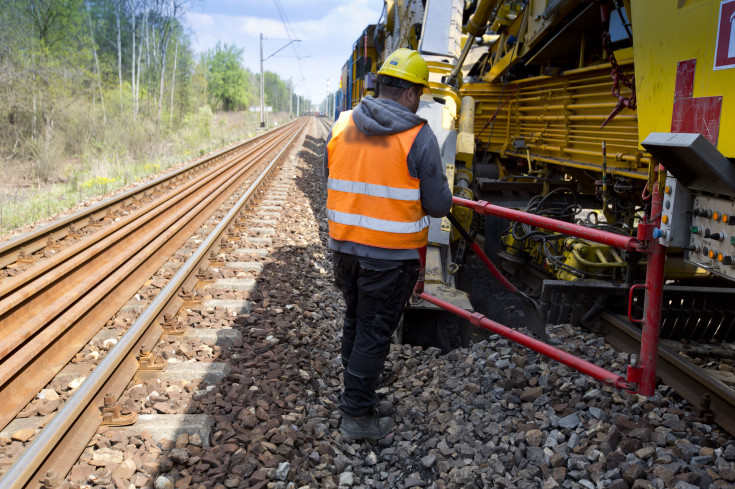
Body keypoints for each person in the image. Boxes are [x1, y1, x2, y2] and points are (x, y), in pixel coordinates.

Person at [322, 48, 453, 441]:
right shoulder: (419, 135)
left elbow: (332, 173)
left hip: (344, 249)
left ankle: (354, 396)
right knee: (375, 331)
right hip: (390, 258)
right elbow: (438, 204)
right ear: (412, 93)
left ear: (379, 85)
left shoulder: (343, 123)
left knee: (356, 319)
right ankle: (356, 416)